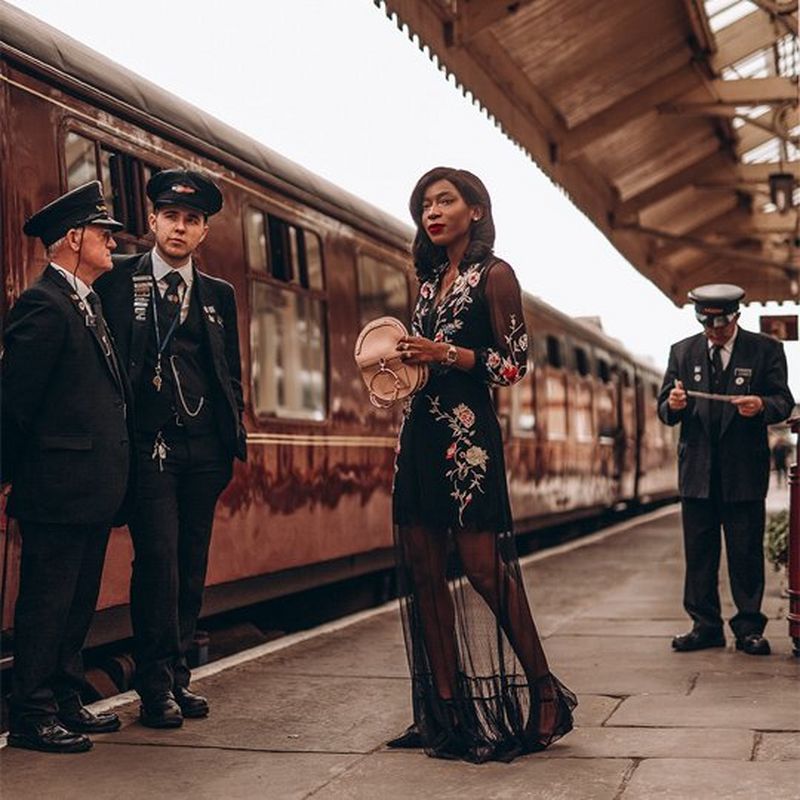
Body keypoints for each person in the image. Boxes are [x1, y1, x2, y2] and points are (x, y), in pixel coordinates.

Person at [387, 167, 576, 763]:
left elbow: (515, 367)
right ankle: (444, 713)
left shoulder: (496, 276)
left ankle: (545, 693)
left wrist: (444, 351)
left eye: (445, 201)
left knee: (483, 569)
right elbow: (426, 362)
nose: (432, 212)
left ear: (475, 210)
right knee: (422, 573)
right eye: (424, 205)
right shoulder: (428, 281)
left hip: (468, 439)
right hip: (418, 432)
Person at [94, 169, 246, 728]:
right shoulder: (117, 281)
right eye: (172, 217)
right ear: (153, 221)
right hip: (148, 447)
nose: (180, 228)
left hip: (204, 451)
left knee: (190, 566)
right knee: (156, 563)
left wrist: (235, 435)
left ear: (204, 232)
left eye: (193, 220)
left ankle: (179, 679)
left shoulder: (218, 296)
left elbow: (230, 371)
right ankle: (154, 686)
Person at [2, 181, 131, 752]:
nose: (112, 243)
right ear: (73, 238)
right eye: (104, 234)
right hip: (55, 486)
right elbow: (13, 400)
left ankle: (66, 696)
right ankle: (31, 712)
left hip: (88, 487)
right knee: (48, 602)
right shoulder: (43, 304)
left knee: (77, 601)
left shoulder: (87, 302)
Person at [657, 284, 794, 656]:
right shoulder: (682, 352)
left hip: (743, 474)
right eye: (707, 324)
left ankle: (749, 628)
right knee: (699, 554)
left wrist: (762, 405)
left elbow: (784, 401)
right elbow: (665, 410)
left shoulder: (766, 350)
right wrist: (674, 403)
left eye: (720, 324)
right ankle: (705, 626)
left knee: (746, 552)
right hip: (697, 473)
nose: (713, 332)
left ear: (736, 316)